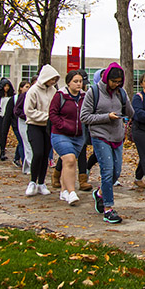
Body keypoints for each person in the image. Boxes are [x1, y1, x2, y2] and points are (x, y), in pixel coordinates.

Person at [82, 63, 134, 223]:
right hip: (100, 136)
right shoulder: (94, 92)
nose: (116, 84)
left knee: (116, 172)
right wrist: (106, 117)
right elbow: (84, 117)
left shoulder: (121, 93)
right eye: (113, 81)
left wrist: (127, 107)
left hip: (117, 137)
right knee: (107, 171)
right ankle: (108, 208)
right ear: (106, 79)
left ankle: (100, 194)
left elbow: (130, 112)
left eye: (119, 82)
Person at [49, 70, 87, 206]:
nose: (79, 84)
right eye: (75, 81)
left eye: (80, 81)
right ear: (68, 82)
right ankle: (72, 193)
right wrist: (63, 126)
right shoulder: (60, 96)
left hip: (78, 136)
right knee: (70, 160)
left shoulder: (84, 97)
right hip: (61, 134)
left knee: (68, 163)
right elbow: (52, 114)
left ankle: (64, 191)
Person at [24, 65, 59, 196]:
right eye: (52, 79)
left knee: (46, 155)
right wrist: (47, 116)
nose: (53, 82)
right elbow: (28, 111)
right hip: (34, 125)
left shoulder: (53, 91)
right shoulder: (33, 91)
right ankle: (32, 181)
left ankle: (41, 183)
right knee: (37, 153)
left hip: (48, 127)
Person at [12, 80, 31, 170]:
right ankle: (27, 165)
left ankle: (28, 165)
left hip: (33, 121)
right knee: (25, 144)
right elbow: (16, 110)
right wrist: (25, 115)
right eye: (26, 87)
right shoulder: (21, 97)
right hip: (23, 121)